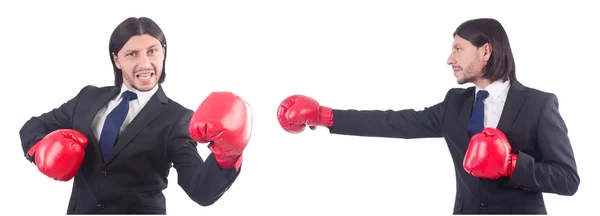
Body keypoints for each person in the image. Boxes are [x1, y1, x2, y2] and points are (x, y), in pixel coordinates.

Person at [276, 18, 579, 214]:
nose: (450, 59)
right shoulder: (456, 103)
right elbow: (395, 122)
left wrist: (512, 164)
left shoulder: (538, 104)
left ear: (485, 51)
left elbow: (568, 180)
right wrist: (325, 116)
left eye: (459, 49)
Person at [19, 17, 252, 214]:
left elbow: (200, 190)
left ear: (164, 53)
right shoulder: (88, 98)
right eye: (132, 54)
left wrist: (228, 155)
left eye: (152, 51)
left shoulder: (177, 118)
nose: (144, 63)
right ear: (116, 60)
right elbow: (33, 127)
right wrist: (41, 151)